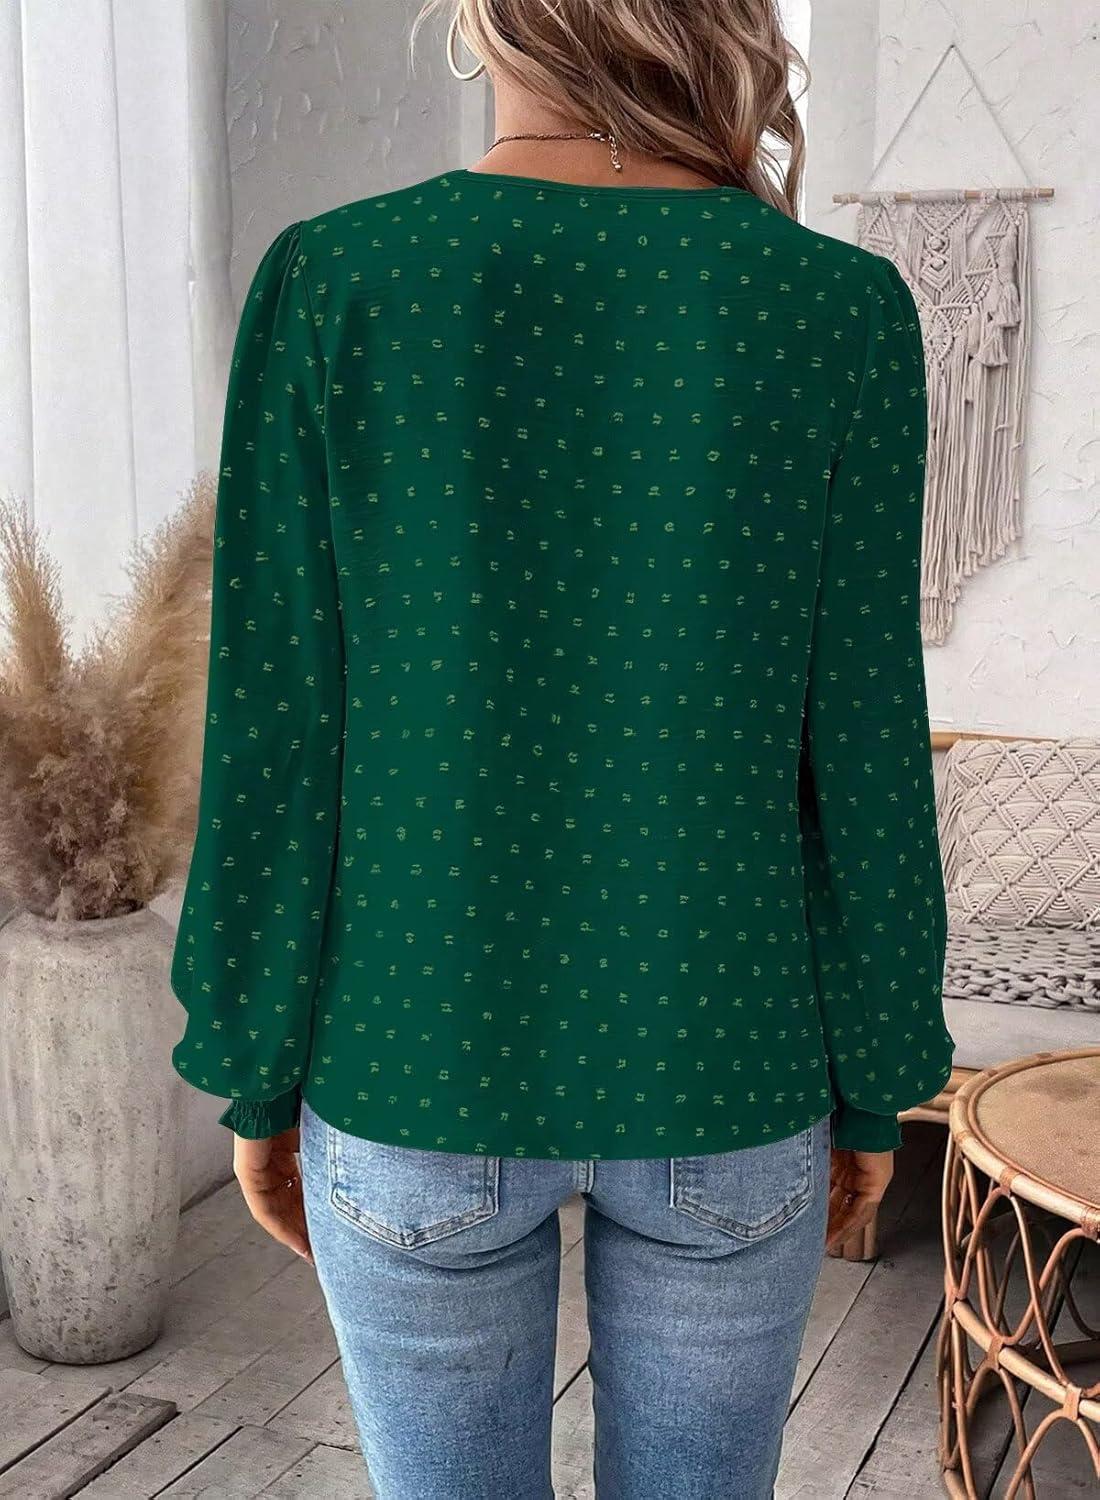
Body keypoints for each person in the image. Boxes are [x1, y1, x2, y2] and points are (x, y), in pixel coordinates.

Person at [169, 1, 954, 1494]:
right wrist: (879, 1073)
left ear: (484, 22)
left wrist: (256, 1066)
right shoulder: (835, 308)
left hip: (412, 1056)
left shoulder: (341, 280)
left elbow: (277, 725)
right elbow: (862, 741)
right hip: (728, 1060)